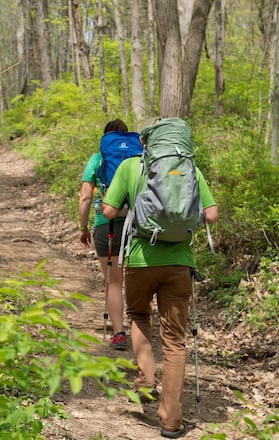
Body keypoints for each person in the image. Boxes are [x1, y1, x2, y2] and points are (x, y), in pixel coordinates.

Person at [101, 119, 218, 439]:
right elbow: (211, 215)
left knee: (138, 315)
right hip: (180, 263)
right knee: (175, 341)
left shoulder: (129, 167)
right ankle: (171, 420)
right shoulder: (190, 169)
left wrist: (112, 201)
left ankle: (146, 378)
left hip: (140, 260)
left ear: (146, 143)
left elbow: (109, 212)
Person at [77, 118, 132, 350]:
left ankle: (119, 332)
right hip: (137, 224)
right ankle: (142, 326)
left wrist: (82, 227)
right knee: (137, 278)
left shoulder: (97, 159)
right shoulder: (138, 159)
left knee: (113, 282)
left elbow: (86, 197)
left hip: (105, 224)